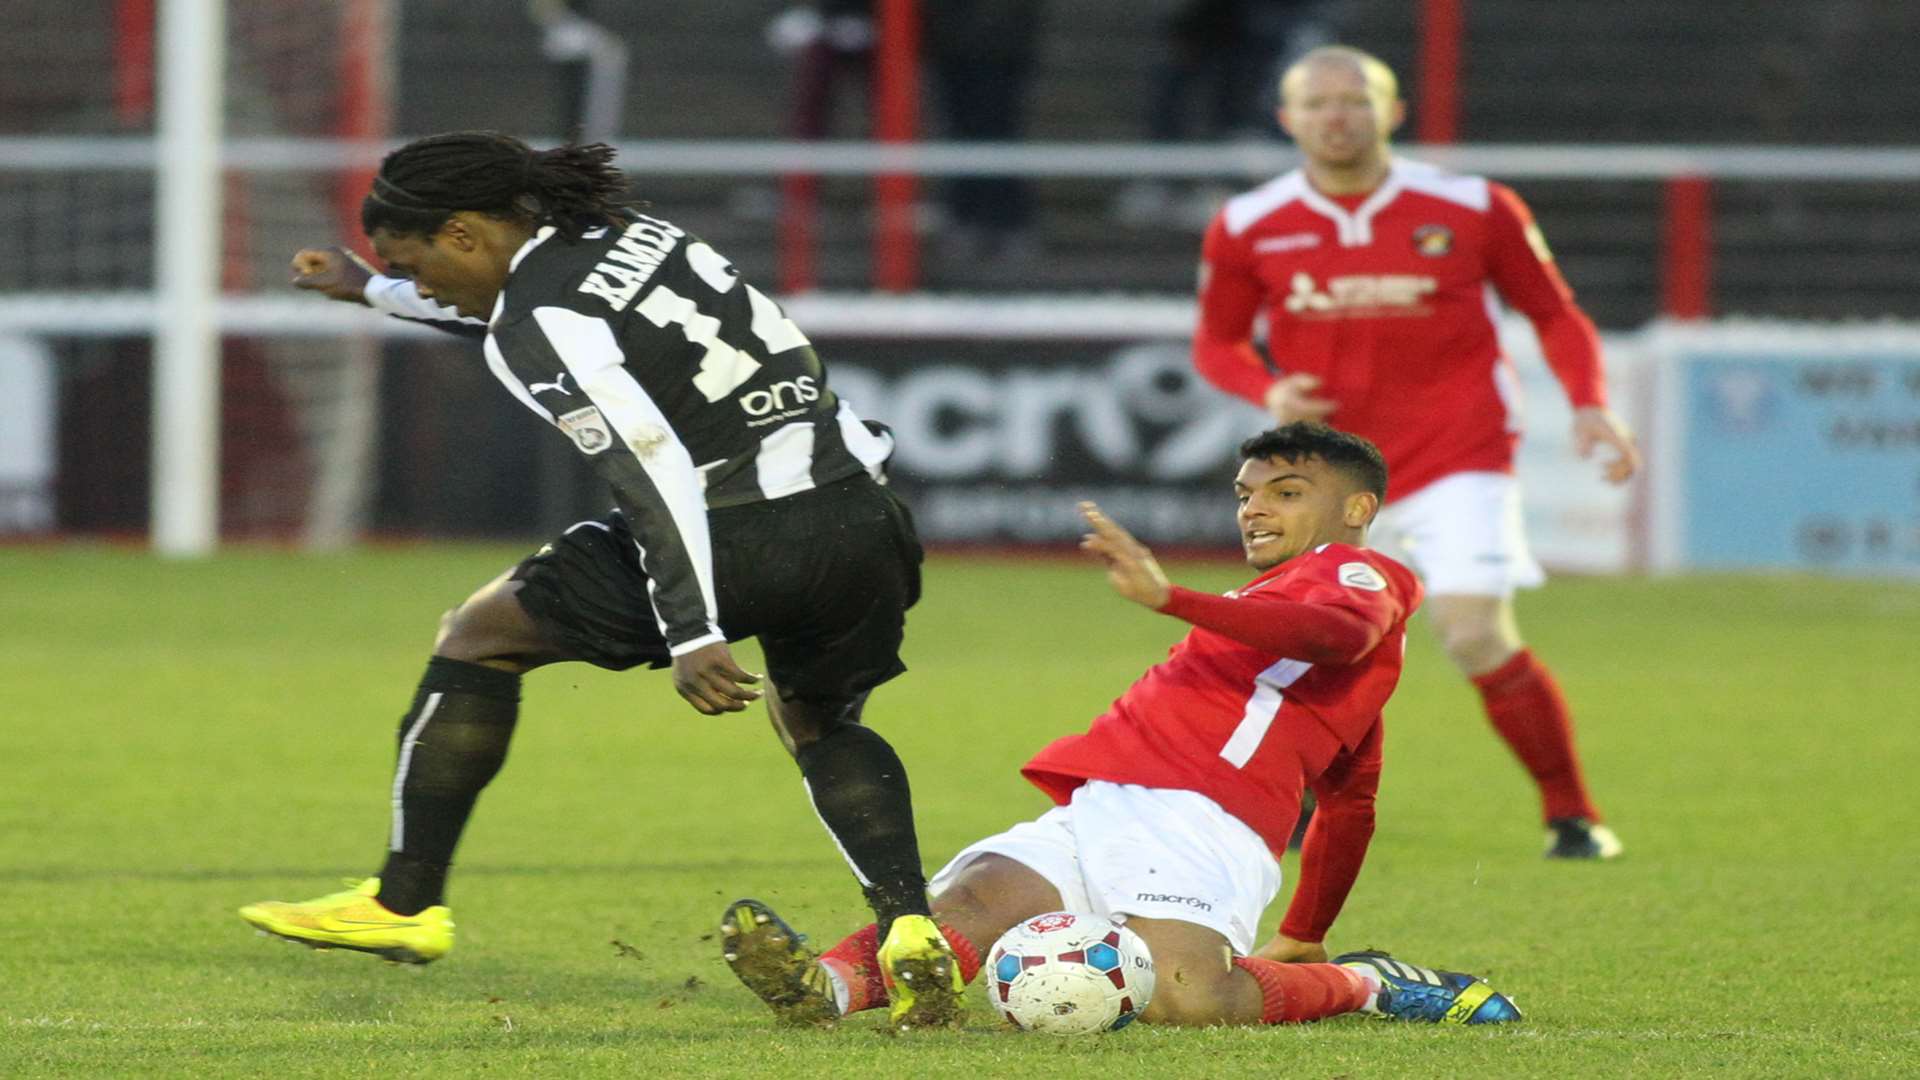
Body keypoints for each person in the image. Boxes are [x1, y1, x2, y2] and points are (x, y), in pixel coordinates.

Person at [237, 132, 958, 1000]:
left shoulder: (535, 326)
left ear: (463, 233)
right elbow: (528, 305)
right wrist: (371, 289)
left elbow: (648, 467)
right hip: (858, 515)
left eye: (413, 262)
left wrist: (693, 630)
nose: (420, 283)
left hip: (733, 528)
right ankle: (910, 925)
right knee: (819, 724)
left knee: (477, 636)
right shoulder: (624, 230)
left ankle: (404, 901)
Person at [720, 423, 1522, 1030]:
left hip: (1204, 827)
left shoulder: (1360, 573)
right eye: (1244, 493)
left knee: (1189, 999)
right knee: (973, 903)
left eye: (1284, 491)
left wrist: (1172, 599)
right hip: (1101, 803)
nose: (1254, 509)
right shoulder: (1270, 615)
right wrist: (1303, 929)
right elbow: (1352, 800)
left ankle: (1367, 983)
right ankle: (821, 985)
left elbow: (1340, 633)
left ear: (1357, 508)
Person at [1192, 45, 1640, 859]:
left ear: (1393, 112)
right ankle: (1288, 803)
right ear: (1288, 120)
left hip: (1454, 456)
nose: (1337, 117)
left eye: (1356, 100)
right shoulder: (1250, 222)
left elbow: (1554, 313)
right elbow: (1216, 342)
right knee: (1307, 646)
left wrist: (1590, 404)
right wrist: (1269, 391)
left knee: (1471, 631)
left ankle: (1571, 813)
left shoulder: (1472, 205)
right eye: (1317, 103)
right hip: (1326, 473)